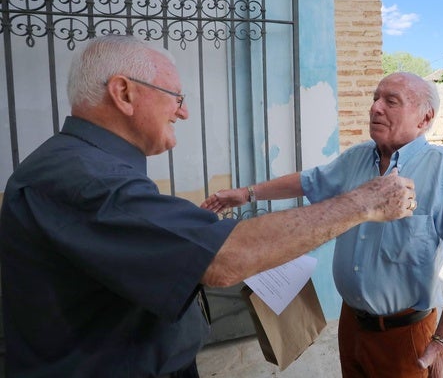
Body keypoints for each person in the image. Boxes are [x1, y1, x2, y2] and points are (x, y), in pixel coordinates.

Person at [0, 35, 417, 378]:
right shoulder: (87, 179)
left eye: (391, 101)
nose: (182, 111)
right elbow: (226, 257)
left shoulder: (85, 167)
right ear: (123, 92)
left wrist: (199, 221)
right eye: (174, 96)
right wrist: (364, 201)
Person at [202, 72, 443, 378]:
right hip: (351, 323)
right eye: (375, 98)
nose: (375, 108)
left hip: (404, 335)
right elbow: (307, 181)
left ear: (424, 118)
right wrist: (246, 194)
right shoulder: (356, 159)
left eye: (391, 101)